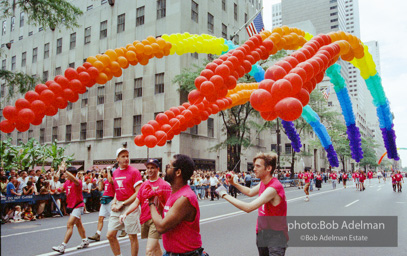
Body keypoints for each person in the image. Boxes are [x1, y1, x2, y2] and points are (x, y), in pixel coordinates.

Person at [218, 152, 288, 256]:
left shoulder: (274, 187)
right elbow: (250, 192)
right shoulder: (263, 182)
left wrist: (224, 194)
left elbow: (249, 207)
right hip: (262, 232)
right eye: (254, 165)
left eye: (258, 166)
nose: (254, 169)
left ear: (268, 168)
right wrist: (234, 183)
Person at [148, 154, 207, 256]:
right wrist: (158, 204)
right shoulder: (175, 193)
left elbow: (161, 227)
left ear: (178, 172)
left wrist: (151, 202)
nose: (165, 169)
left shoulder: (185, 198)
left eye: (168, 166)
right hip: (171, 253)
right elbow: (168, 218)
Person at [120, 158, 172, 256]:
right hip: (145, 219)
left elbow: (169, 206)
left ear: (158, 169)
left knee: (149, 251)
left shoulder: (165, 185)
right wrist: (125, 213)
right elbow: (136, 202)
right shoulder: (144, 185)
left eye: (152, 168)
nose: (149, 170)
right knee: (155, 247)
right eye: (148, 168)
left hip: (156, 221)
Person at [106, 148, 143, 256]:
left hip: (131, 206)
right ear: (117, 159)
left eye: (127, 156)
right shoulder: (115, 172)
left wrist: (123, 203)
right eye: (123, 156)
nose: (126, 158)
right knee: (110, 235)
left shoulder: (134, 171)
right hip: (118, 205)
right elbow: (117, 191)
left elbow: (138, 192)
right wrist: (114, 203)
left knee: (132, 236)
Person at [52, 167, 89, 254]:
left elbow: (74, 179)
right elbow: (61, 189)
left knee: (70, 224)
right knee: (79, 224)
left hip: (78, 205)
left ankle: (63, 246)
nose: (65, 175)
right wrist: (55, 190)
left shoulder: (78, 182)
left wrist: (64, 170)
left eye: (68, 173)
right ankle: (85, 240)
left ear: (73, 174)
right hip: (71, 206)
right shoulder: (67, 182)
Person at [88, 167, 115, 242]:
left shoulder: (112, 179)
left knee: (112, 218)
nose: (102, 174)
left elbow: (110, 180)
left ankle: (121, 230)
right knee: (100, 217)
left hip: (111, 200)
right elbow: (100, 189)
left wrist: (109, 171)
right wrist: (100, 181)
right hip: (104, 200)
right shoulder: (105, 181)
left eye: (103, 172)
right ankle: (98, 234)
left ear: (107, 173)